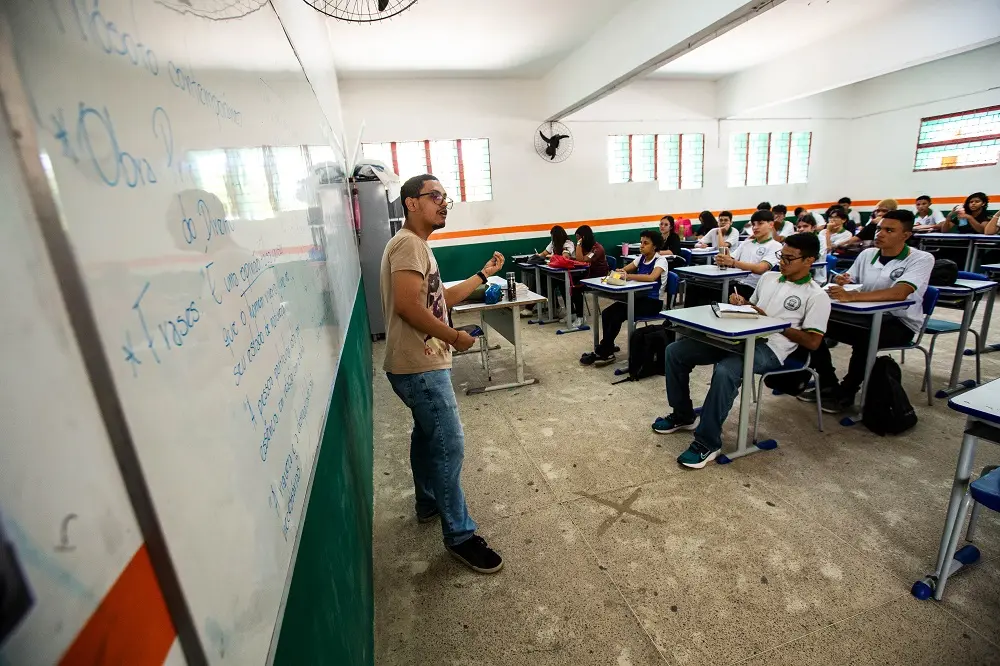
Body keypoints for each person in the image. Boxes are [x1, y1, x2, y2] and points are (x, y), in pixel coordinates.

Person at [380, 174, 506, 574]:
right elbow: (406, 306)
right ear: (410, 203)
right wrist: (454, 336)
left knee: (426, 434)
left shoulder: (419, 248)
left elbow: (439, 299)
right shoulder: (407, 245)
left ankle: (428, 501)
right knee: (448, 444)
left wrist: (482, 275)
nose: (444, 202)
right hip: (419, 366)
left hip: (418, 363)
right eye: (434, 196)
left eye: (445, 197)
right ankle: (460, 535)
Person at [653, 233, 830, 469]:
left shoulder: (816, 295)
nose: (782, 263)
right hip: (740, 337)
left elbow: (813, 342)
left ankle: (708, 441)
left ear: (809, 260)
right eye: (781, 256)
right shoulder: (769, 278)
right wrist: (741, 304)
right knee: (676, 351)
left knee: (727, 370)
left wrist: (773, 322)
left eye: (789, 259)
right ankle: (683, 415)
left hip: (772, 348)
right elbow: (752, 309)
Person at [798, 210, 934, 413]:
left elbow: (900, 292)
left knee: (867, 338)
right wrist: (841, 281)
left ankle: (847, 391)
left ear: (905, 235)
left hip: (898, 322)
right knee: (811, 326)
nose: (880, 234)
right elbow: (850, 279)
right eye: (879, 229)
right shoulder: (867, 254)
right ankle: (828, 384)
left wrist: (852, 297)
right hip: (861, 316)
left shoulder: (921, 259)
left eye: (889, 230)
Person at [581, 230, 668, 366]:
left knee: (617, 315)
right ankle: (608, 346)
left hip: (652, 302)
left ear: (655, 246)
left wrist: (629, 276)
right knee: (606, 313)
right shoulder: (641, 258)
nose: (641, 245)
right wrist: (617, 273)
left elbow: (652, 277)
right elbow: (625, 270)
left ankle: (605, 350)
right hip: (637, 298)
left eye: (646, 243)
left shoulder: (660, 261)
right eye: (641, 242)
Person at [714, 210, 783, 299]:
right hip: (735, 282)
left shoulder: (775, 246)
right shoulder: (746, 243)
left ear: (771, 225)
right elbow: (730, 259)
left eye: (760, 224)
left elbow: (761, 268)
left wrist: (732, 262)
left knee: (715, 294)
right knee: (701, 287)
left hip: (753, 288)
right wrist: (723, 259)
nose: (755, 227)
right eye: (753, 224)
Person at [522, 225, 576, 316]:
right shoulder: (553, 243)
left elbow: (565, 257)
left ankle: (567, 311)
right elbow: (544, 254)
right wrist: (537, 256)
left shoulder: (568, 243)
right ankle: (549, 308)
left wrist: (551, 257)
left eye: (553, 236)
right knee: (540, 281)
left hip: (567, 274)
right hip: (554, 273)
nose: (552, 238)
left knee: (555, 284)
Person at [571, 224, 609, 328]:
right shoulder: (585, 247)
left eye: (578, 238)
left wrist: (578, 244)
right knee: (568, 284)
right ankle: (572, 313)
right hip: (588, 275)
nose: (577, 241)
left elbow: (581, 259)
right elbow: (576, 258)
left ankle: (580, 317)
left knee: (576, 289)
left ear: (584, 237)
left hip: (598, 279)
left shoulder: (597, 249)